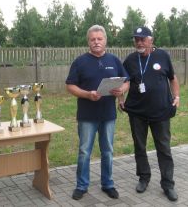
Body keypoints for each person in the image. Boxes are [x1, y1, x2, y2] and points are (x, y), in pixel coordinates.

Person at [66, 25, 129, 200]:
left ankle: (108, 184)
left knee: (108, 150)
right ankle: (81, 185)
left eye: (99, 39)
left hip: (108, 115)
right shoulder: (80, 62)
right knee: (85, 151)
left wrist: (121, 90)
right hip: (87, 115)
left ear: (105, 40)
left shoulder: (114, 60)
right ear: (88, 41)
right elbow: (70, 85)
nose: (96, 42)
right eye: (93, 39)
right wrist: (87, 94)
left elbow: (126, 81)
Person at [120, 26, 180, 202]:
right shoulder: (130, 60)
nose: (139, 42)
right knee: (140, 147)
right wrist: (120, 100)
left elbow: (173, 78)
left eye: (143, 39)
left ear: (151, 40)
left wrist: (176, 96)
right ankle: (144, 177)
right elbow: (124, 81)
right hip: (137, 112)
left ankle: (168, 184)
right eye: (136, 39)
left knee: (164, 148)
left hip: (160, 112)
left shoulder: (162, 56)